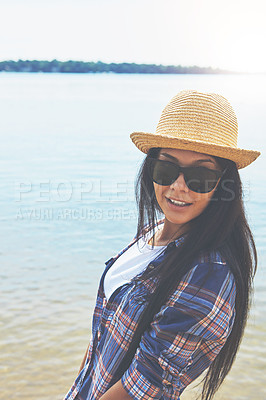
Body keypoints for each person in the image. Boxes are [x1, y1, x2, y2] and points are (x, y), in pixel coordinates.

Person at [64, 90, 260, 400]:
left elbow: (143, 388)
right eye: (166, 169)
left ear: (224, 183)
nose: (178, 186)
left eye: (201, 176)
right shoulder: (155, 232)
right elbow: (102, 344)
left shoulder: (209, 275)